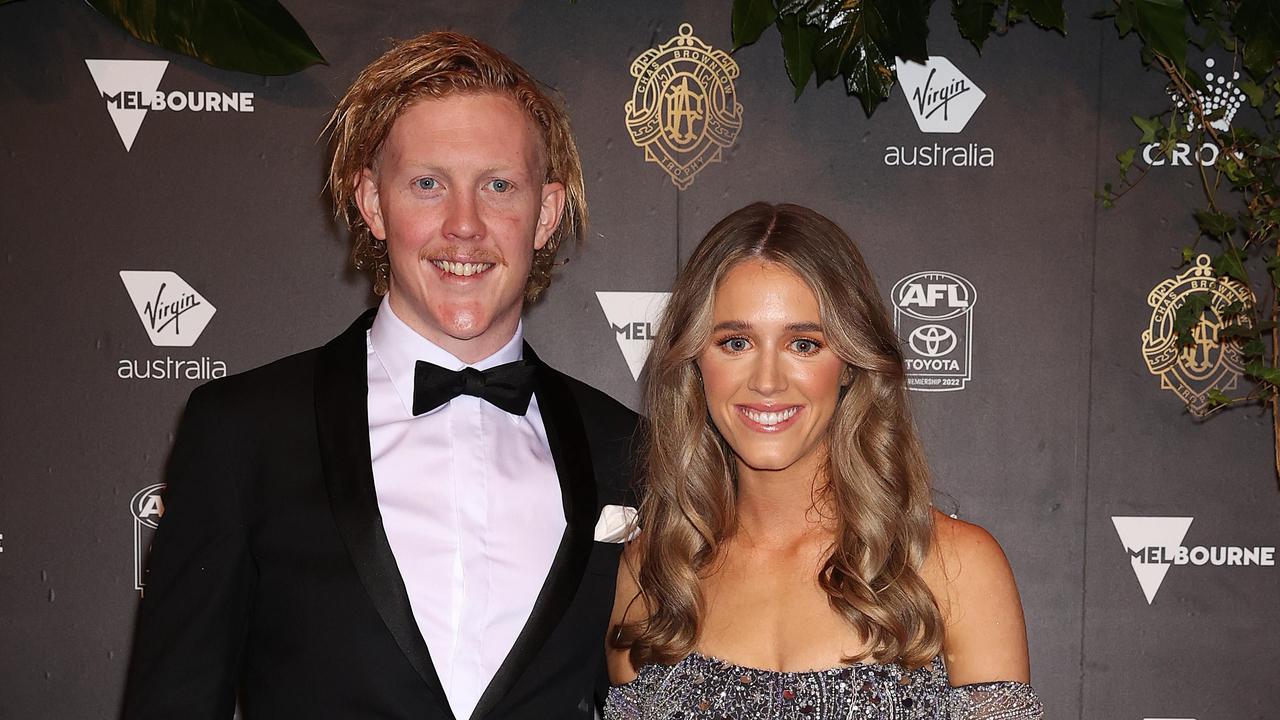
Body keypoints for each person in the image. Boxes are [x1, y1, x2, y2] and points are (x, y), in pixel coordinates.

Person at [121, 32, 637, 720]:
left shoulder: (627, 449)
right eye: (427, 184)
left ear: (544, 214)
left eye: (498, 186)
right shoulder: (245, 432)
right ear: (371, 202)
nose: (464, 226)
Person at [604, 203, 1043, 719]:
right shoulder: (655, 571)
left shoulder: (954, 565)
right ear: (696, 362)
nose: (767, 381)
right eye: (736, 342)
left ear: (851, 365)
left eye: (804, 344)